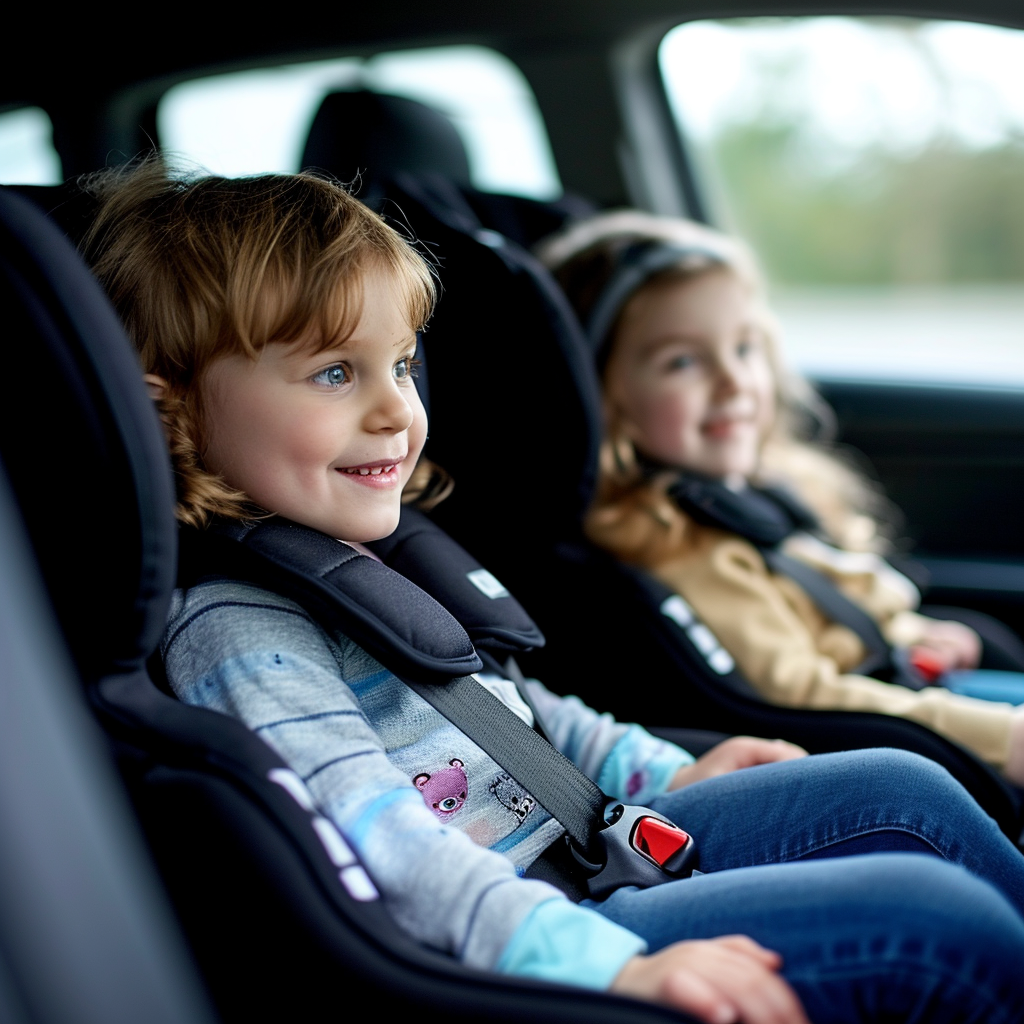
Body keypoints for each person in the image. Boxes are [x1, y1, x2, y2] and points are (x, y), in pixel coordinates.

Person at [82, 162, 1024, 1024]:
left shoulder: (353, 559)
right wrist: (601, 965)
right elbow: (376, 843)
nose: (394, 411)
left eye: (401, 366)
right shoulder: (238, 633)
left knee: (902, 789)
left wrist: (663, 774)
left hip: (576, 847)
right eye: (335, 373)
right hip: (522, 935)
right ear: (168, 411)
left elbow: (519, 717)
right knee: (925, 921)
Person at [538, 210, 1024, 781]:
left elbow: (832, 603)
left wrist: (912, 634)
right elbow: (802, 694)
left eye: (745, 349)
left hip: (905, 686)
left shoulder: (747, 497)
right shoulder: (682, 546)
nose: (733, 381)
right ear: (602, 400)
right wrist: (1001, 737)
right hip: (891, 731)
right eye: (683, 362)